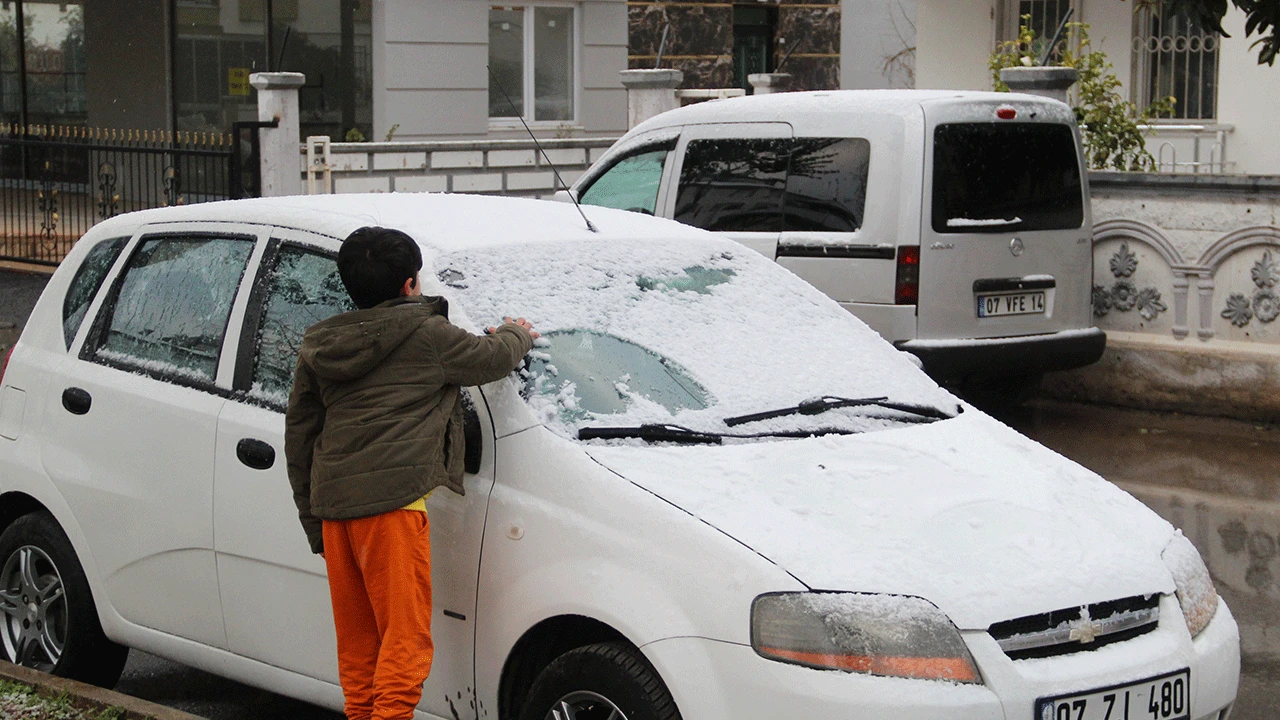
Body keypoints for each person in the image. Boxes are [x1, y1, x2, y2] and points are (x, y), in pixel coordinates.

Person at [285, 226, 536, 720]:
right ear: (409, 285)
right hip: (392, 510)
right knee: (405, 644)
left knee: (359, 647)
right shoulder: (427, 335)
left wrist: (313, 520)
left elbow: (300, 435)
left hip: (334, 510)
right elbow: (491, 359)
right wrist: (518, 333)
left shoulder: (321, 344)